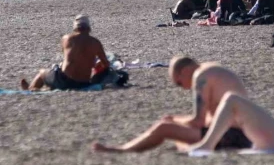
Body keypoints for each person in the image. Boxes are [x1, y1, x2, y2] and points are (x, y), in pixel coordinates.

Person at [91, 57, 251, 153]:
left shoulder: (201, 77)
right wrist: (176, 120)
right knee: (175, 134)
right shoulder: (212, 69)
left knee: (163, 128)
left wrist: (172, 121)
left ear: (185, 71)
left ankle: (123, 150)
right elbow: (211, 118)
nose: (184, 88)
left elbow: (198, 122)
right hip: (241, 131)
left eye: (180, 83)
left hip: (233, 135)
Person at [20, 15, 109, 91]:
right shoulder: (96, 42)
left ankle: (31, 88)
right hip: (84, 83)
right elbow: (106, 64)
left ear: (75, 28)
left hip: (66, 81)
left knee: (42, 73)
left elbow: (67, 57)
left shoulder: (67, 39)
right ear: (89, 28)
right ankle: (42, 87)